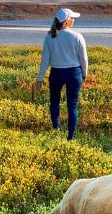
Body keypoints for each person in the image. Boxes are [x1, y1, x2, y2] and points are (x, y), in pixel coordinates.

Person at [34, 8, 89, 138]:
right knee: (72, 105)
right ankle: (70, 137)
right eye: (72, 18)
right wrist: (84, 75)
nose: (73, 20)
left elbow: (45, 61)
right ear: (65, 22)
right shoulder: (77, 36)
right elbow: (84, 59)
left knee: (54, 102)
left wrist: (39, 79)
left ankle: (56, 129)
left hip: (56, 74)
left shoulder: (50, 37)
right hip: (73, 73)